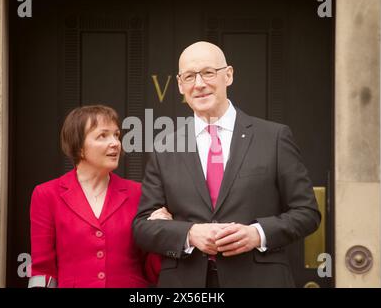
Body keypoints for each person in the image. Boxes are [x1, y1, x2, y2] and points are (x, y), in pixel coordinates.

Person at [133, 41, 321, 288]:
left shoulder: (274, 137)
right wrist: (189, 234)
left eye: (208, 73)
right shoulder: (165, 146)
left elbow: (307, 212)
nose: (199, 84)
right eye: (189, 76)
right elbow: (142, 227)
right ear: (180, 84)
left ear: (228, 75)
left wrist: (258, 234)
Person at [28, 105, 169, 288]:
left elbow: (151, 270)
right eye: (103, 136)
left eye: (116, 135)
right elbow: (43, 270)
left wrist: (162, 234)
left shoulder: (139, 193)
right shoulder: (47, 194)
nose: (115, 143)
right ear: (78, 147)